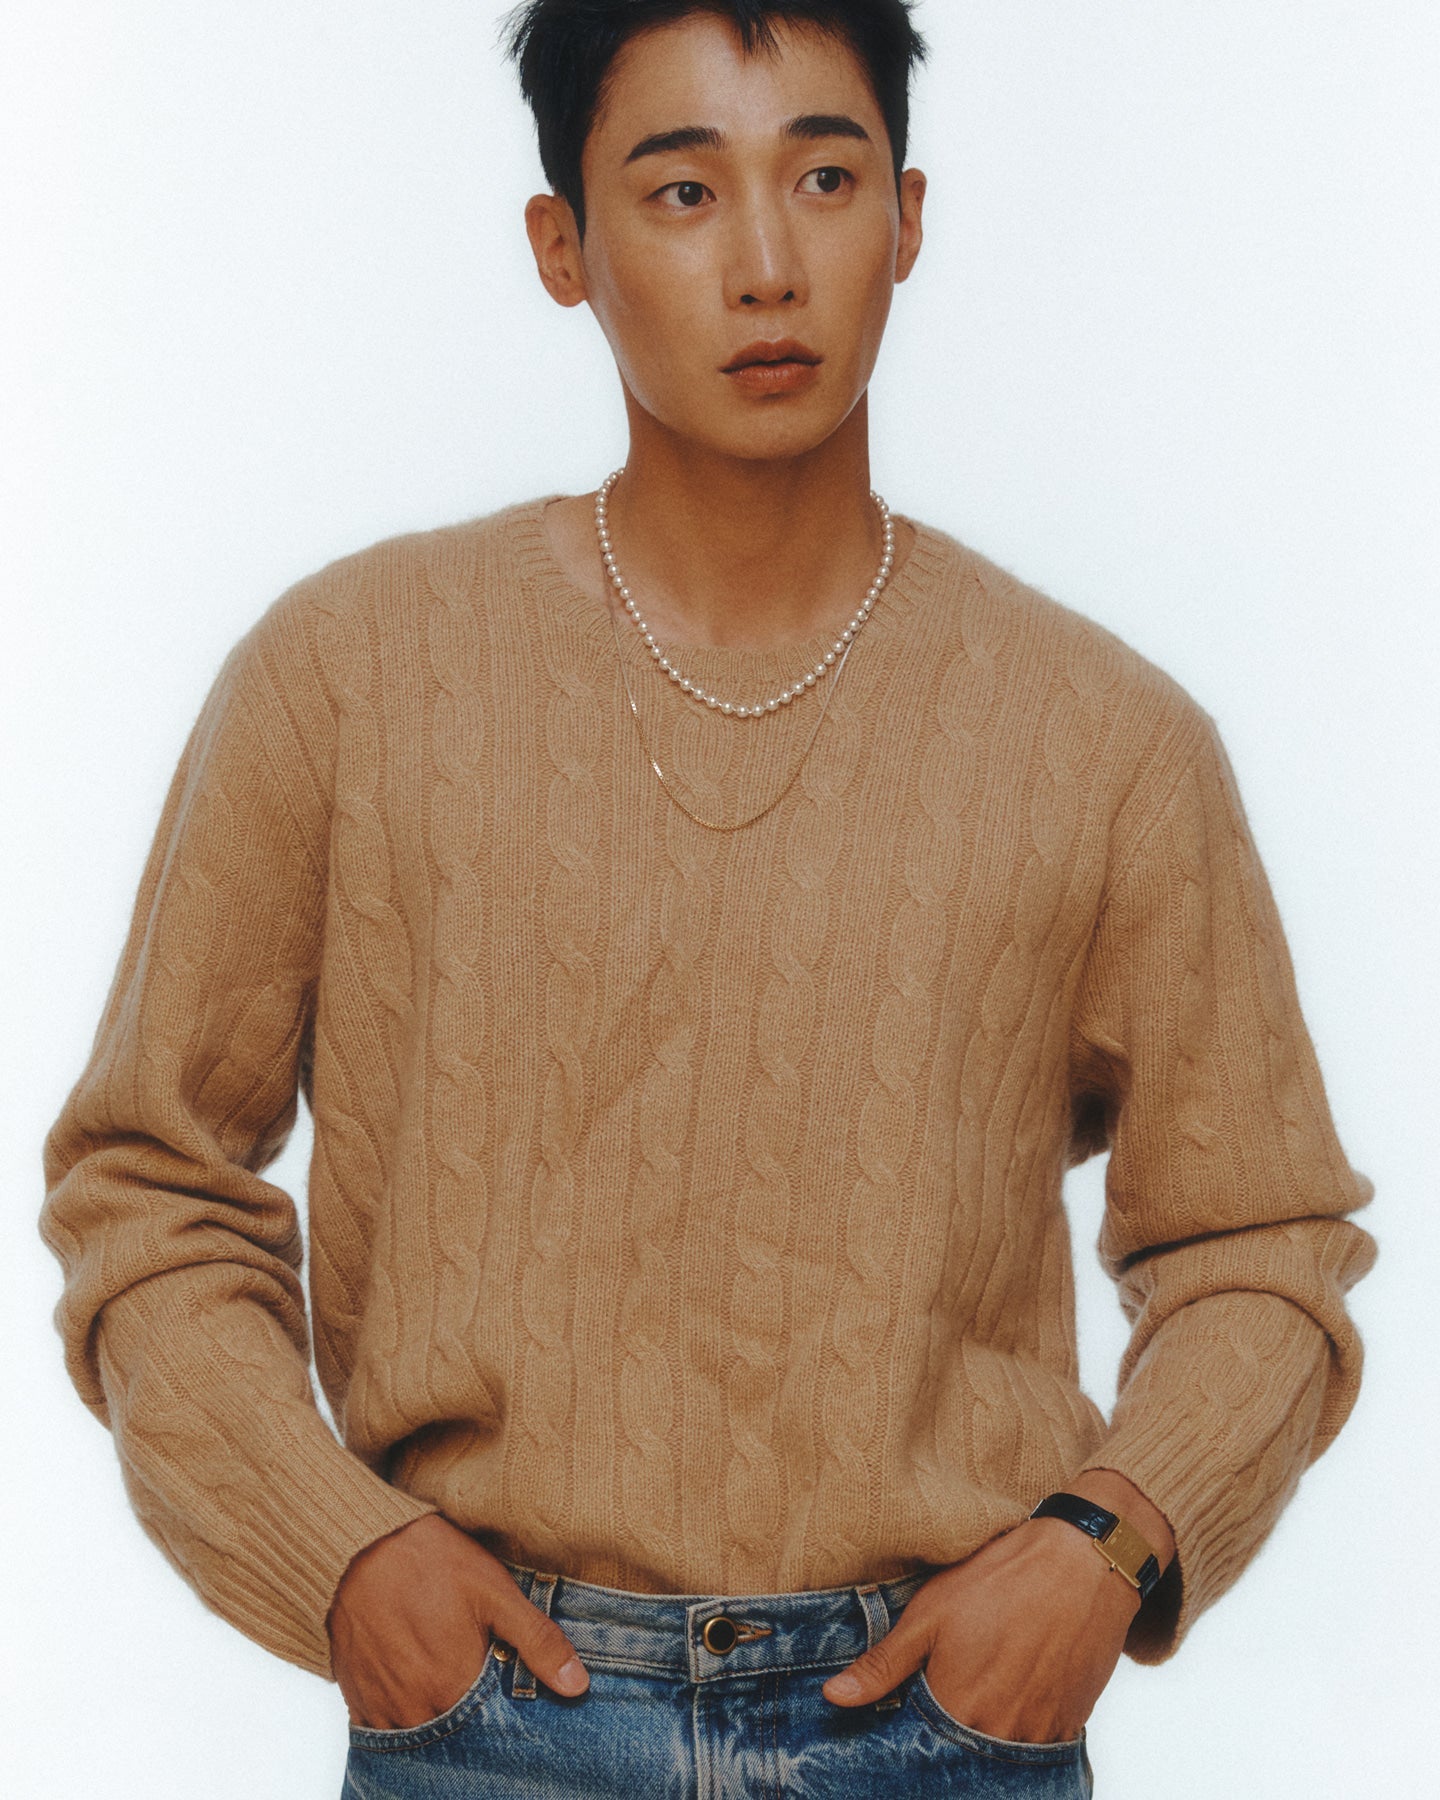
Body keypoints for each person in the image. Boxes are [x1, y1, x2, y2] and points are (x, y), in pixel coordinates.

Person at [39, 2, 1377, 1794]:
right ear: (562, 248)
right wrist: (342, 1557)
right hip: (491, 1716)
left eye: (824, 179)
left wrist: (1107, 1543)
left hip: (936, 1722)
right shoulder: (348, 677)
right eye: (681, 192)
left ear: (908, 219)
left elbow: (1260, 1241)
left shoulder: (1104, 736)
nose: (767, 265)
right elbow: (147, 1185)